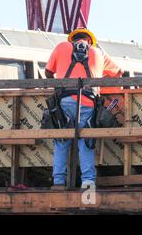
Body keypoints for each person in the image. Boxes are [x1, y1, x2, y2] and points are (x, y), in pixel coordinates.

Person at [45, 28, 124, 189]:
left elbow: (48, 72)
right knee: (86, 142)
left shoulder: (61, 47)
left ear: (72, 40)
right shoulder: (98, 52)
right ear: (90, 41)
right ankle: (88, 182)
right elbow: (119, 72)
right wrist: (98, 77)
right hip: (88, 102)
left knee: (61, 142)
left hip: (64, 101)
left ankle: (58, 182)